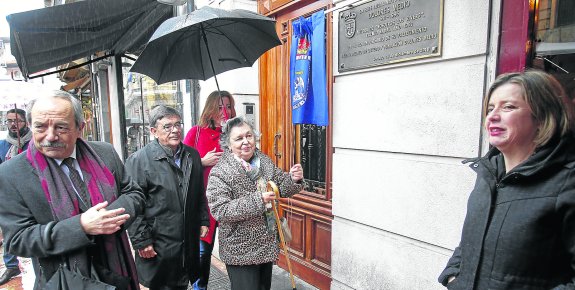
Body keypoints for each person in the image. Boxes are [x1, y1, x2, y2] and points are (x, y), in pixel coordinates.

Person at [438, 71, 575, 289]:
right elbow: (469, 242)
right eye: (490, 108)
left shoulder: (567, 181)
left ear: (543, 117)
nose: (492, 116)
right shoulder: (488, 174)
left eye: (508, 107)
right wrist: (453, 276)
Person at [0, 91, 145, 290]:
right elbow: (17, 240)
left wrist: (110, 218)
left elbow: (134, 193)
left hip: (117, 271)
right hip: (64, 280)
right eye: (40, 127)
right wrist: (82, 226)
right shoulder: (12, 173)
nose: (50, 136)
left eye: (61, 127)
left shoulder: (105, 153)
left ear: (79, 128)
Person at [206, 116, 304, 290]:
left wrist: (293, 179)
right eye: (238, 138)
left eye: (249, 136)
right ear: (228, 144)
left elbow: (279, 185)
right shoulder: (220, 172)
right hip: (240, 248)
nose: (246, 141)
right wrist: (258, 200)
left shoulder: (263, 161)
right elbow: (220, 210)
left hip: (266, 243)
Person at [126, 105, 209, 290]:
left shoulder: (192, 155)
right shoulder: (139, 160)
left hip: (186, 239)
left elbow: (199, 192)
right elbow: (133, 206)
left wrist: (203, 219)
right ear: (154, 131)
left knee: (182, 281)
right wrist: (141, 240)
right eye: (168, 126)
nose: (175, 130)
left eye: (178, 124)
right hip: (157, 242)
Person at [183, 90, 236, 290]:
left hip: (230, 201)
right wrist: (202, 161)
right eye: (220, 106)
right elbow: (180, 165)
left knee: (235, 250)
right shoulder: (195, 132)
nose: (225, 111)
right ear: (210, 108)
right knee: (203, 253)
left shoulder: (233, 134)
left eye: (228, 106)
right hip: (204, 203)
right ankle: (199, 287)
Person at [0, 108, 31, 285]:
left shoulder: (33, 142)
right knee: (8, 228)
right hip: (9, 193)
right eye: (9, 120)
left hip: (30, 192)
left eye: (17, 120)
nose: (13, 124)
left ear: (25, 122)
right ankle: (11, 265)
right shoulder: (3, 145)